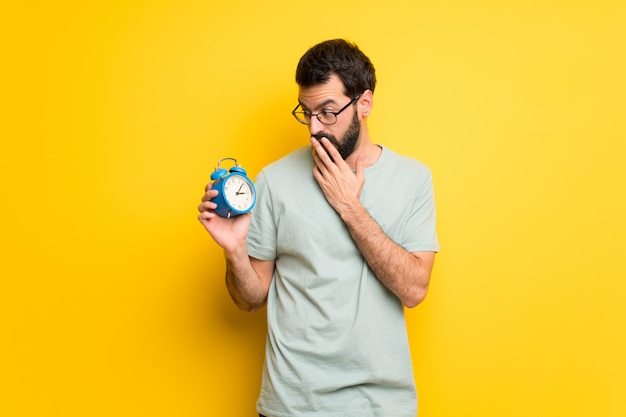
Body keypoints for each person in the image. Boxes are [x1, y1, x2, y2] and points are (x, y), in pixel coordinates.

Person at [198, 39, 439, 417]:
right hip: (292, 406)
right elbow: (249, 299)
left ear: (364, 103)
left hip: (379, 406)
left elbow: (414, 288)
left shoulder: (413, 179)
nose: (314, 129)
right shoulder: (273, 180)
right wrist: (234, 250)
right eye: (306, 113)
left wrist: (349, 207)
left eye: (327, 112)